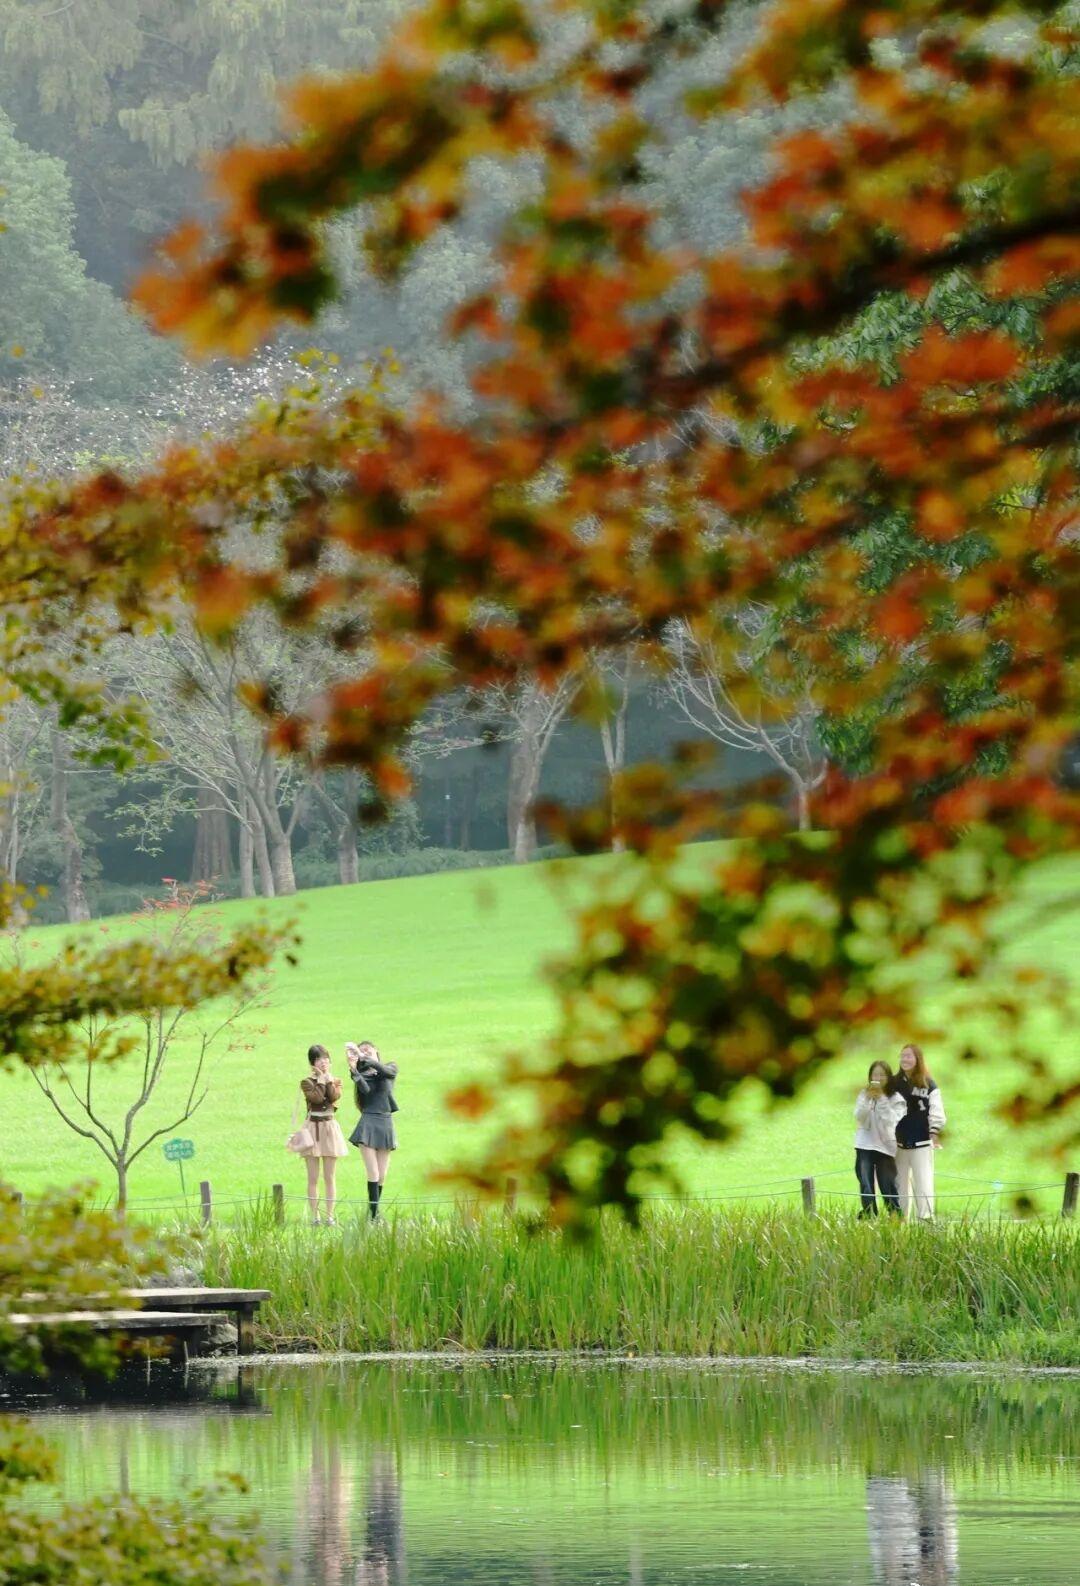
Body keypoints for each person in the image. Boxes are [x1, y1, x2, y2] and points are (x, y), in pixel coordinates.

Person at [887, 1043, 946, 1220]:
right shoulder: (893, 1084)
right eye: (902, 1056)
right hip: (898, 1145)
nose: (904, 1059)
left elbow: (937, 1111)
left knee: (924, 1187)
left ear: (917, 1059)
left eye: (909, 1056)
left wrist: (934, 1132)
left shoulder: (929, 1084)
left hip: (921, 1144)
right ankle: (899, 1225)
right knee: (899, 1188)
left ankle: (926, 1226)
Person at [346, 1040, 399, 1220]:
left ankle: (374, 1213)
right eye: (362, 1051)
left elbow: (387, 1073)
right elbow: (365, 1090)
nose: (365, 1052)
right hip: (368, 1123)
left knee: (382, 1175)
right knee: (373, 1173)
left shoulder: (389, 1068)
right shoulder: (364, 1076)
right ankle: (374, 1216)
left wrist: (364, 1057)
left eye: (368, 1049)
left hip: (385, 1123)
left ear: (376, 1050)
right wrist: (354, 1070)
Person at [300, 1043, 348, 1226]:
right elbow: (317, 1099)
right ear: (312, 1063)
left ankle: (329, 1216)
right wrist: (320, 1080)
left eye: (326, 1059)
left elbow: (334, 1096)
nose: (324, 1063)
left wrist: (327, 1080)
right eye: (319, 1060)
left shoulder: (336, 1081)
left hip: (329, 1128)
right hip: (312, 1128)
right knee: (313, 1177)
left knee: (330, 1176)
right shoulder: (306, 1083)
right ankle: (315, 1217)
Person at [854, 1060, 904, 1216]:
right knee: (866, 1185)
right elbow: (859, 1118)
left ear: (889, 1077)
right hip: (864, 1145)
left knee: (888, 1184)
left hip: (885, 1147)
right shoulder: (864, 1094)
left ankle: (895, 1216)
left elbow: (891, 1121)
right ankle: (869, 1216)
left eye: (882, 1074)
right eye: (875, 1074)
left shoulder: (896, 1098)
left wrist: (881, 1099)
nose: (878, 1078)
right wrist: (868, 1100)